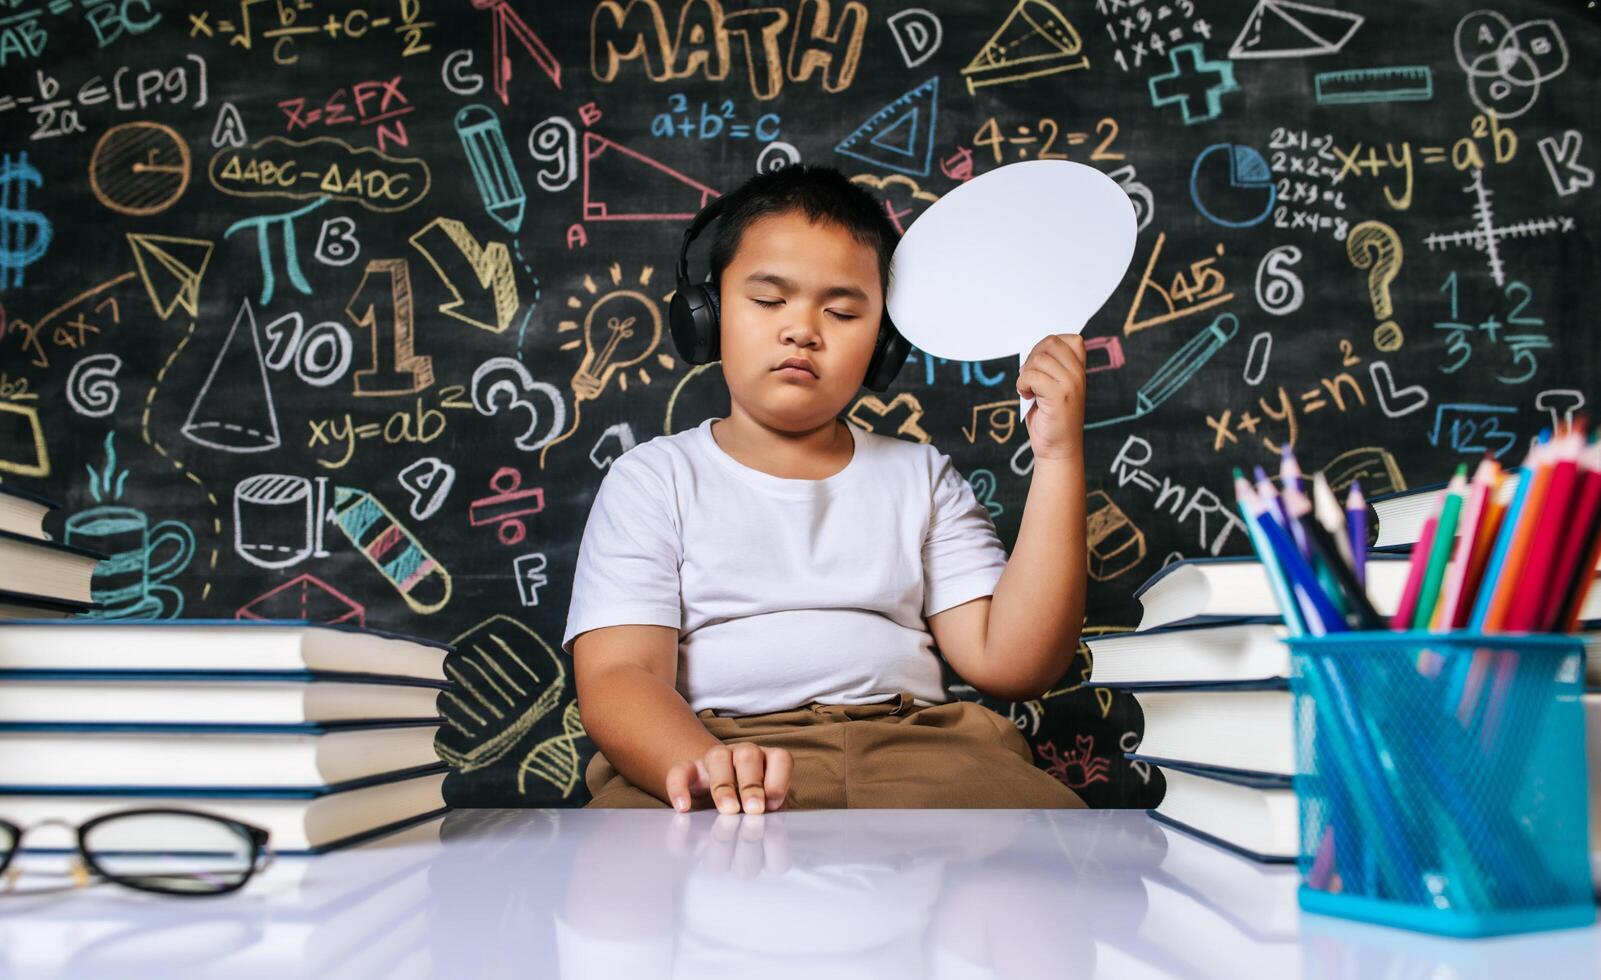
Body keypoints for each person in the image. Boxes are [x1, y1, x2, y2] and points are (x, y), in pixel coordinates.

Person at [563, 164, 1088, 813]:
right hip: (712, 742)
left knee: (1047, 847)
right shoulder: (652, 478)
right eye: (767, 300)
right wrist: (699, 765)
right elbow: (620, 674)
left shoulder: (920, 477)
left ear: (882, 345)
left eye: (840, 311)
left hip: (923, 746)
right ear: (707, 315)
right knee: (616, 870)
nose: (802, 330)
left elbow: (1014, 665)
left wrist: (1059, 454)